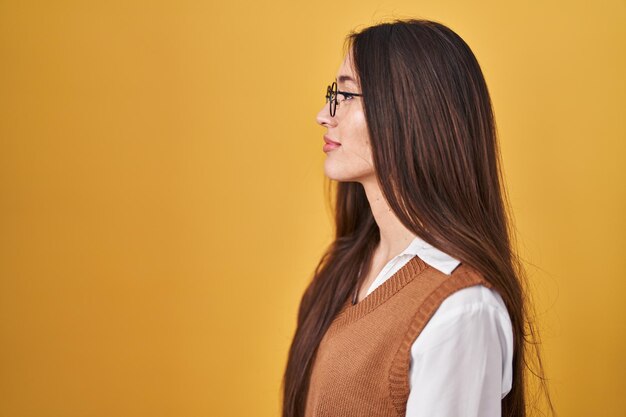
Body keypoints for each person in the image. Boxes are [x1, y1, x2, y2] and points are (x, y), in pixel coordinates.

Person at [281, 18, 554, 417]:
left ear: (411, 112)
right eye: (332, 93)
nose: (324, 114)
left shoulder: (462, 310)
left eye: (347, 94)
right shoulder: (350, 265)